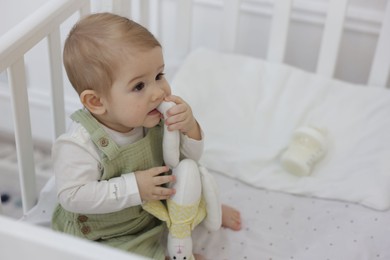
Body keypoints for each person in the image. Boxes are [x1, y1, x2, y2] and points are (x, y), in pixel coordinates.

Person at [51, 12, 241, 260]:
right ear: (96, 101)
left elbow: (187, 159)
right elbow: (72, 197)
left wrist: (190, 127)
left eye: (159, 76)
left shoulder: (152, 117)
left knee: (190, 181)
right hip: (110, 233)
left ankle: (204, 212)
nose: (158, 92)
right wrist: (134, 187)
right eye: (139, 86)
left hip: (153, 211)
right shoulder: (79, 144)